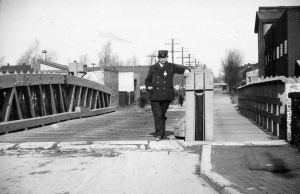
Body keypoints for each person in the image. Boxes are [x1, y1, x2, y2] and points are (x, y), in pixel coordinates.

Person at [145, 50, 191, 141]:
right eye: (161, 58)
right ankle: (159, 134)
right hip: (155, 95)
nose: (163, 59)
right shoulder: (153, 68)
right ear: (158, 58)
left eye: (165, 57)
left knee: (161, 114)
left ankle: (160, 132)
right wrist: (148, 86)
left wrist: (187, 70)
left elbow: (181, 68)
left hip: (166, 96)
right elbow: (147, 80)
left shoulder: (171, 66)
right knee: (158, 115)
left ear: (167, 57)